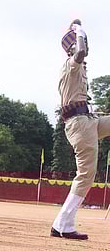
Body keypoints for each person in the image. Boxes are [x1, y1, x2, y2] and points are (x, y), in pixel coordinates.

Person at [50, 20, 108, 240]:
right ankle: (62, 224)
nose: (86, 45)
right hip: (79, 124)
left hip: (88, 119)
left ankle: (62, 224)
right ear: (72, 47)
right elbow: (81, 50)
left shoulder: (80, 68)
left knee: (85, 174)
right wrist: (79, 30)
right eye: (81, 42)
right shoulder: (71, 63)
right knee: (86, 175)